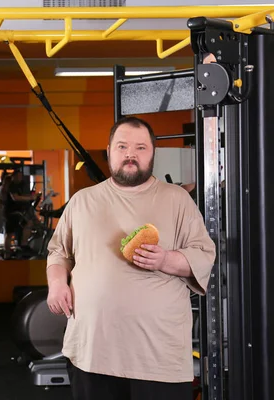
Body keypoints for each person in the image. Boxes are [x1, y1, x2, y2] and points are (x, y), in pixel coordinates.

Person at [45, 116, 216, 400]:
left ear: (152, 153)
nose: (130, 155)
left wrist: (164, 260)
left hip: (157, 358)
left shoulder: (177, 199)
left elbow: (204, 256)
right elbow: (58, 251)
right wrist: (56, 283)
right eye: (122, 146)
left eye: (140, 148)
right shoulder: (82, 201)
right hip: (91, 351)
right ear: (109, 150)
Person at [3, 170, 35, 259]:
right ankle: (8, 254)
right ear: (14, 176)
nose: (20, 178)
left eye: (21, 176)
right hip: (11, 213)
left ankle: (23, 245)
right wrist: (29, 198)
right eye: (18, 176)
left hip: (18, 213)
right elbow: (15, 198)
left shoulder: (20, 186)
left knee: (29, 223)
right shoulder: (12, 185)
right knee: (10, 234)